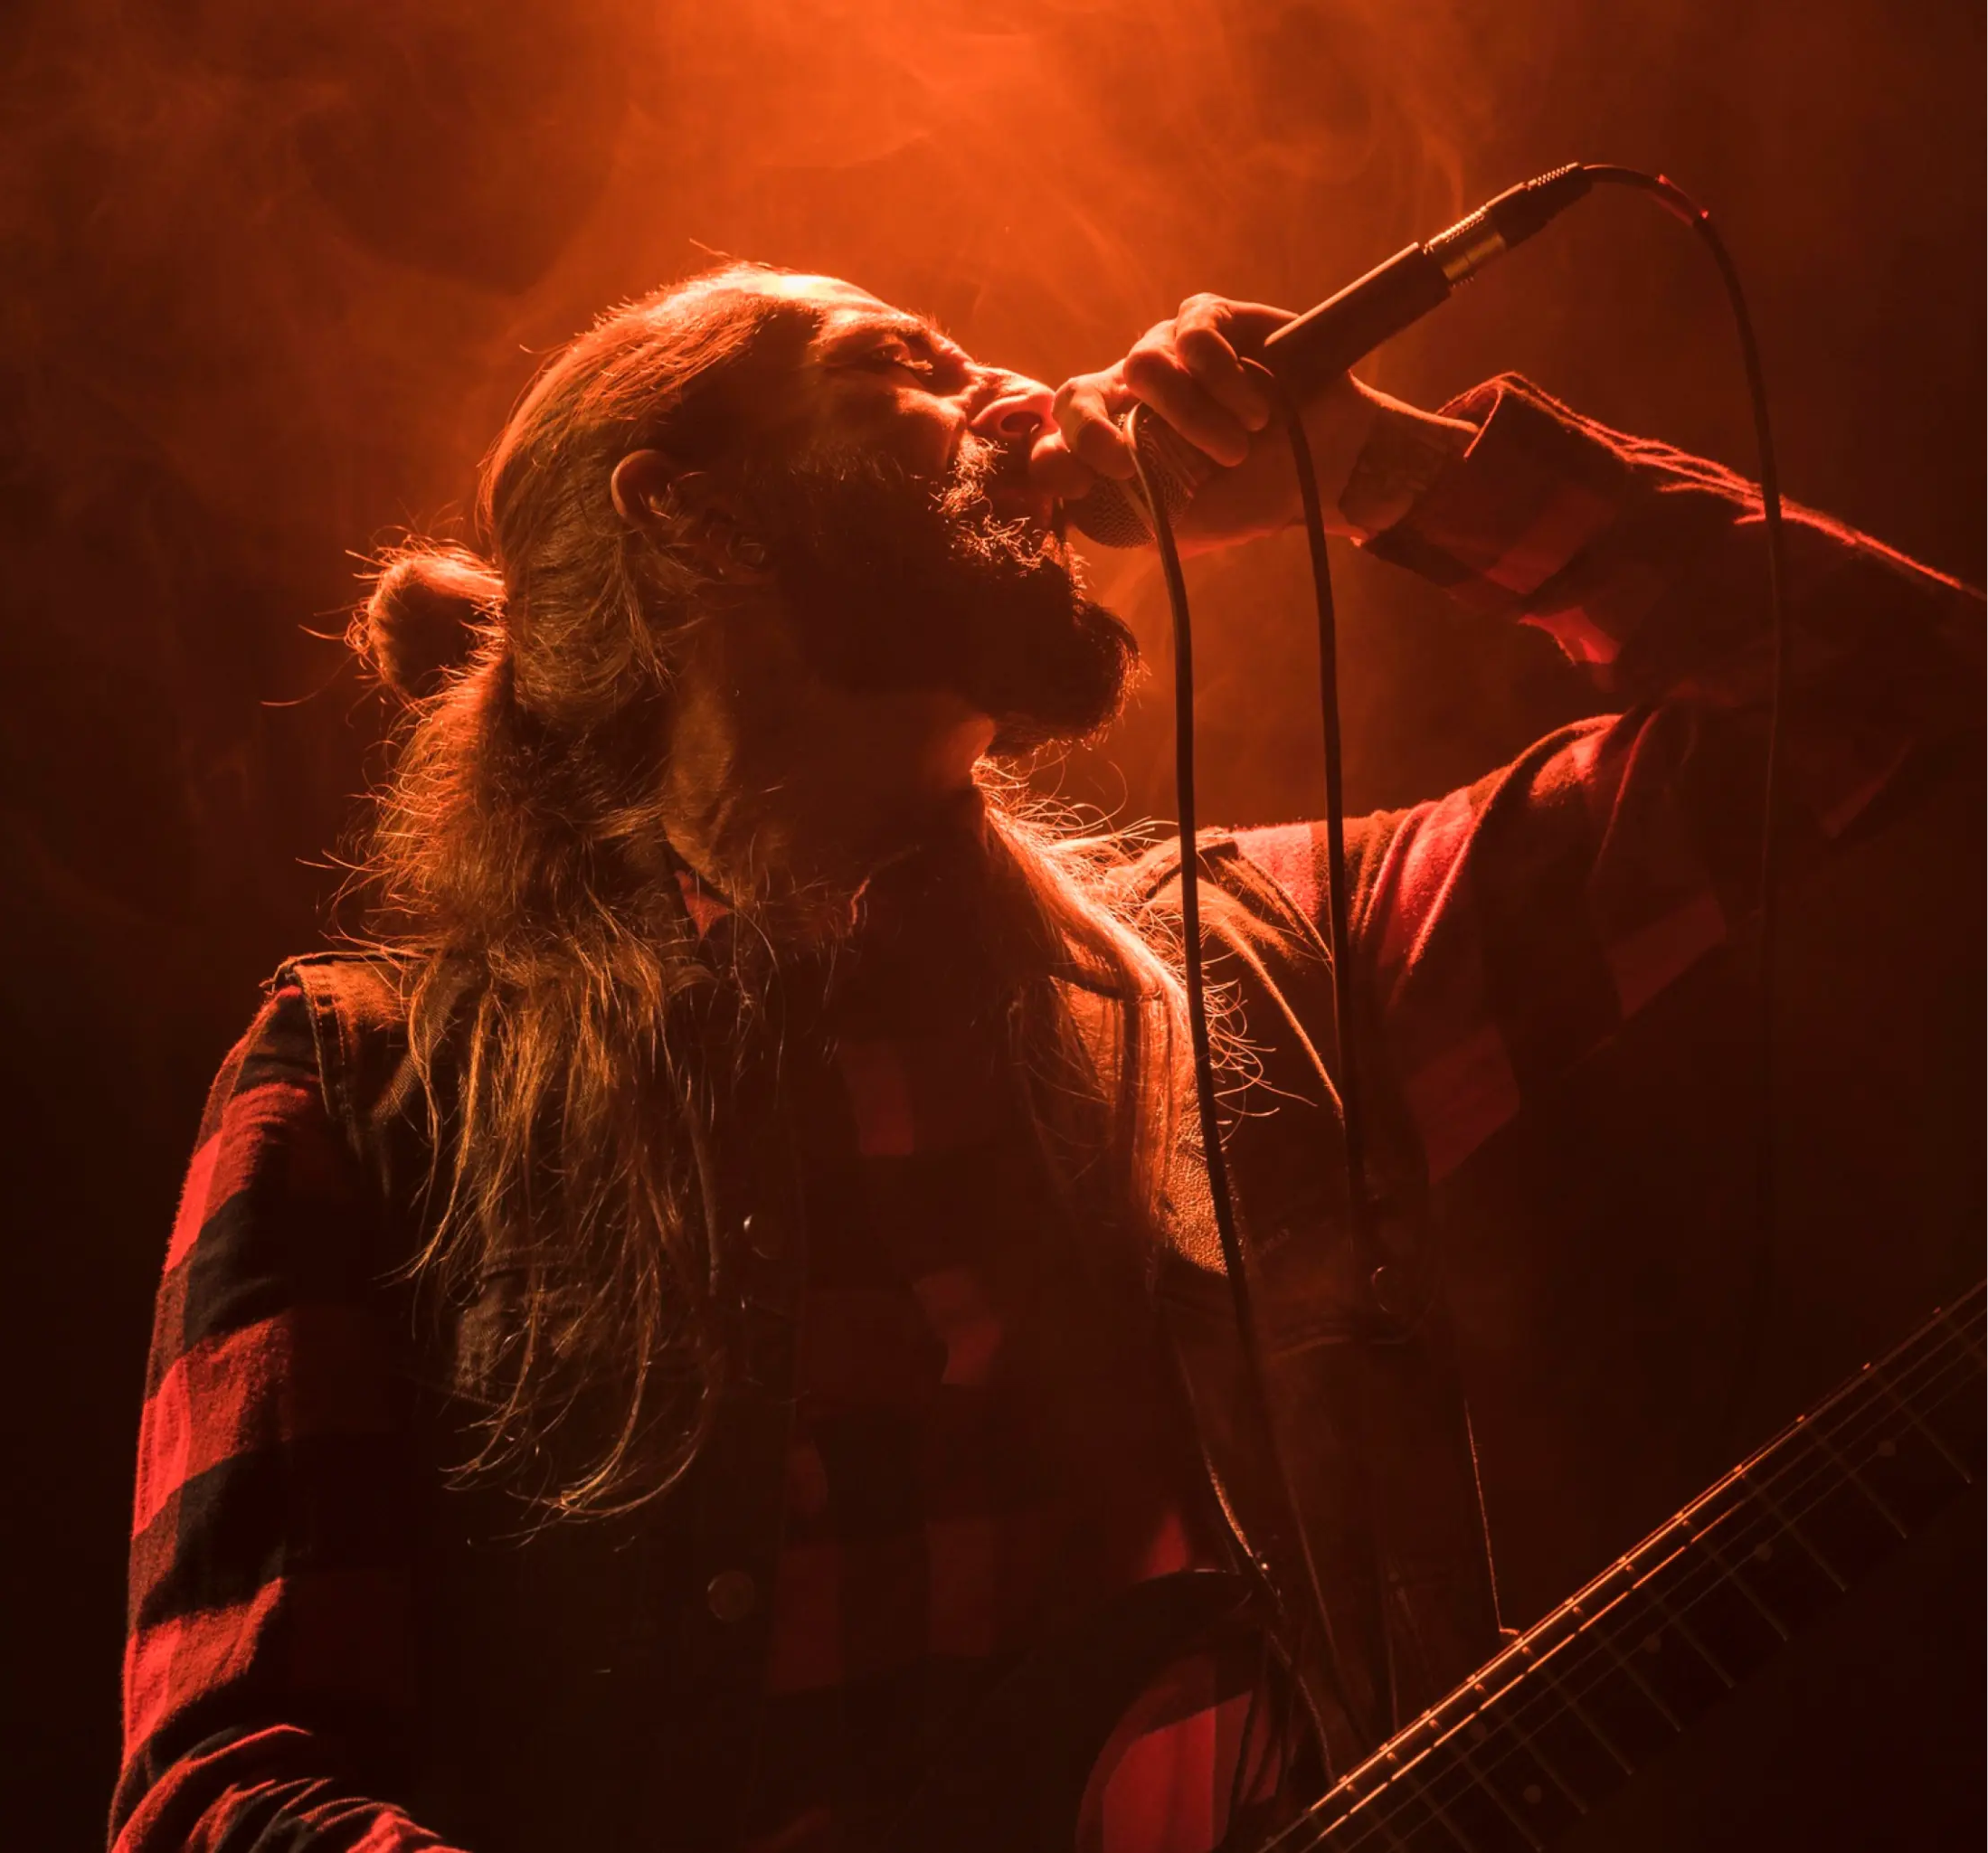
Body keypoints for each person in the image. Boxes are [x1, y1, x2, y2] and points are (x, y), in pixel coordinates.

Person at [110, 265, 1984, 1853]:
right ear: (695, 514)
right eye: (905, 373)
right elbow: (223, 1785)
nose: (1015, 392)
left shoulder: (1264, 970)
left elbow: (1890, 700)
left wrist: (1379, 471)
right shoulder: (371, 1090)